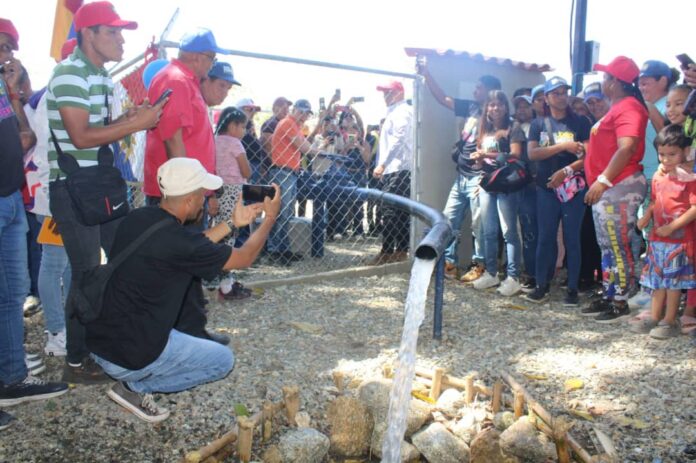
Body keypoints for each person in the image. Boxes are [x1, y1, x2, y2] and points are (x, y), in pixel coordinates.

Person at [87, 157, 280, 423]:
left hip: (101, 341)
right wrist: (270, 218)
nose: (204, 201)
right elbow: (244, 257)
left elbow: (192, 246)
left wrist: (232, 224)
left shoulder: (140, 217)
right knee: (222, 361)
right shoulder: (179, 243)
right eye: (202, 195)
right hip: (127, 357)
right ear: (190, 200)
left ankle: (135, 377)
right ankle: (134, 389)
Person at [46, 1, 164, 383]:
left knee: (123, 256)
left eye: (120, 32)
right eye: (112, 32)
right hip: (75, 187)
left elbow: (92, 132)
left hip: (97, 183)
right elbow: (80, 136)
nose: (121, 40)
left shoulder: (97, 76)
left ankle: (108, 342)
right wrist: (134, 126)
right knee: (87, 274)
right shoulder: (68, 74)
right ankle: (77, 361)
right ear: (88, 34)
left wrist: (126, 120)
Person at [143, 27, 232, 345]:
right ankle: (185, 331)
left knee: (183, 261)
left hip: (185, 192)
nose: (213, 63)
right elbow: (172, 138)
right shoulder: (177, 80)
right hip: (178, 194)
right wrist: (186, 193)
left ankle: (185, 329)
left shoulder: (184, 81)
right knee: (183, 260)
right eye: (212, 57)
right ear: (197, 56)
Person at [0, 16, 68, 430]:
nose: (5, 54)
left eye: (9, 48)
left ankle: (11, 377)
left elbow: (26, 138)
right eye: (1, 46)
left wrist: (12, 93)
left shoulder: (6, 94)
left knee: (12, 295)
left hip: (10, 199)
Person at [419, 64, 502, 281]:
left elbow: (500, 149)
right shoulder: (471, 108)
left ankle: (480, 265)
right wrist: (428, 75)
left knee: (479, 225)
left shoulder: (497, 118)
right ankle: (449, 264)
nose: (475, 91)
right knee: (449, 220)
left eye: (479, 87)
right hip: (461, 176)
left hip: (479, 178)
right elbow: (443, 99)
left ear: (491, 91)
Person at [582, 56, 649, 323]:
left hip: (620, 186)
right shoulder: (618, 107)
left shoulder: (629, 107)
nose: (603, 80)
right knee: (608, 246)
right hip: (613, 186)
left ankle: (620, 299)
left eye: (607, 77)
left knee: (617, 245)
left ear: (616, 82)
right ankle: (611, 292)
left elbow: (627, 147)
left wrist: (603, 181)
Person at [523, 77, 591, 305]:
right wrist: (563, 146)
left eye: (565, 93)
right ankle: (542, 285)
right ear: (547, 98)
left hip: (573, 190)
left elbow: (587, 157)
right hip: (546, 189)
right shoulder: (538, 124)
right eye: (557, 93)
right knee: (545, 238)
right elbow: (532, 154)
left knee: (573, 239)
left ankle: (572, 288)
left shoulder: (581, 122)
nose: (562, 97)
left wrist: (566, 170)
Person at [631, 125, 696, 338]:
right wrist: (646, 217)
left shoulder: (689, 179)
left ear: (685, 152)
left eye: (672, 154)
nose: (666, 160)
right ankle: (655, 315)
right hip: (658, 238)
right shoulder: (659, 177)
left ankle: (670, 320)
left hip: (677, 241)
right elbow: (655, 201)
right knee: (657, 280)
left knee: (674, 282)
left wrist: (672, 227)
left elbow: (694, 208)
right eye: (661, 155)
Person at [629, 60, 682, 310]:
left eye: (647, 78)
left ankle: (654, 292)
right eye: (639, 79)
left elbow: (669, 139)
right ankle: (653, 289)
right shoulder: (651, 103)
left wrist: (650, 106)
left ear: (663, 80)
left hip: (663, 179)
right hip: (649, 176)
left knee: (656, 236)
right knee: (648, 235)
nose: (642, 83)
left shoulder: (666, 105)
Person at [470, 90, 526, 296]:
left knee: (509, 232)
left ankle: (513, 277)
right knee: (488, 231)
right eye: (492, 104)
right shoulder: (484, 129)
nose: (495, 108)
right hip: (487, 184)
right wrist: (478, 159)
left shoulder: (514, 127)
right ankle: (492, 273)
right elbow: (483, 159)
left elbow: (516, 155)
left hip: (507, 184)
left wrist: (487, 153)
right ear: (486, 107)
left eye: (500, 104)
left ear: (506, 106)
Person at [266, 99, 320, 264]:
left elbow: (304, 146)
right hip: (283, 172)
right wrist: (323, 152)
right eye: (301, 112)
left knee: (286, 213)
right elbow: (304, 148)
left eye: (307, 113)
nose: (304, 116)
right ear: (294, 110)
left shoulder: (293, 125)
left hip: (289, 172)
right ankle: (275, 251)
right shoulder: (288, 122)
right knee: (281, 213)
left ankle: (283, 249)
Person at [369, 81, 413, 265]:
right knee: (399, 211)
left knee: (389, 211)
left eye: (388, 92)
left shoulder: (401, 112)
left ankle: (388, 251)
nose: (385, 96)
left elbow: (399, 138)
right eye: (385, 92)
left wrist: (383, 164)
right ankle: (399, 251)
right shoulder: (397, 112)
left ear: (398, 93)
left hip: (397, 168)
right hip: (396, 168)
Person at [213, 106, 253, 300]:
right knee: (230, 234)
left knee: (218, 232)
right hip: (234, 190)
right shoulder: (235, 144)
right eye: (242, 126)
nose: (244, 131)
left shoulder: (213, 140)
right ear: (232, 125)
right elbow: (246, 171)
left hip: (217, 189)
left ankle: (218, 279)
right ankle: (226, 285)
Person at [259, 96, 293, 182]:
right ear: (274, 109)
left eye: (287, 108)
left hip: (280, 169)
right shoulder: (271, 124)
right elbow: (268, 147)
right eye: (283, 108)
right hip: (272, 169)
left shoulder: (282, 124)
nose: (286, 111)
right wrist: (281, 165)